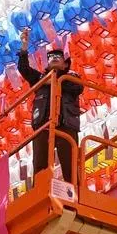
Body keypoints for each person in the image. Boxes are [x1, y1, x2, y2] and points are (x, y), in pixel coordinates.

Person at [16, 27, 83, 181]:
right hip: (43, 126)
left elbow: (77, 88)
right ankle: (40, 193)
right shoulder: (39, 78)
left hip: (66, 125)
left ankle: (75, 197)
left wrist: (51, 81)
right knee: (40, 165)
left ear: (65, 65)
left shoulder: (71, 78)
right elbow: (23, 68)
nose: (53, 57)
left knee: (70, 166)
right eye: (51, 56)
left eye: (58, 56)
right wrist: (24, 46)